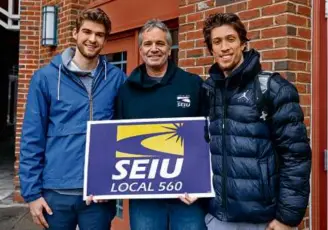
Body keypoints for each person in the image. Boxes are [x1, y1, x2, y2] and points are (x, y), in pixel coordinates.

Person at [201, 13, 311, 230]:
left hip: (264, 221)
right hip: (219, 218)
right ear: (211, 49)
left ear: (242, 43)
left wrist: (287, 218)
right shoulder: (208, 91)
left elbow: (295, 155)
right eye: (217, 41)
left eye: (230, 39)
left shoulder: (273, 88)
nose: (224, 47)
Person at [19, 8, 126, 230]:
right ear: (75, 33)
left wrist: (112, 182)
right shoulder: (45, 78)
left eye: (99, 34)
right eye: (87, 32)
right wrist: (31, 194)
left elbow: (123, 133)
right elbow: (32, 137)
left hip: (98, 193)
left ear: (105, 40)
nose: (92, 39)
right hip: (55, 193)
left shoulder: (116, 79)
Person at [115, 19, 207, 230]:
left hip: (187, 195)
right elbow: (115, 139)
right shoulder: (126, 91)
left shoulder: (192, 84)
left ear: (169, 47)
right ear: (140, 49)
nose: (154, 49)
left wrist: (202, 184)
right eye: (148, 44)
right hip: (144, 197)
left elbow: (207, 135)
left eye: (160, 43)